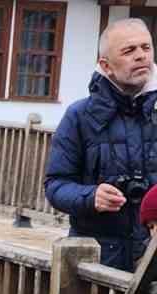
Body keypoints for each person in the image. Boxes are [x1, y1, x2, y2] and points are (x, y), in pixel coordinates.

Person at [45, 19, 157, 271]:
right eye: (129, 51)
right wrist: (91, 196)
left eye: (146, 48)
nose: (141, 56)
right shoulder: (79, 116)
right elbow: (55, 186)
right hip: (95, 259)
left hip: (152, 257)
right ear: (106, 65)